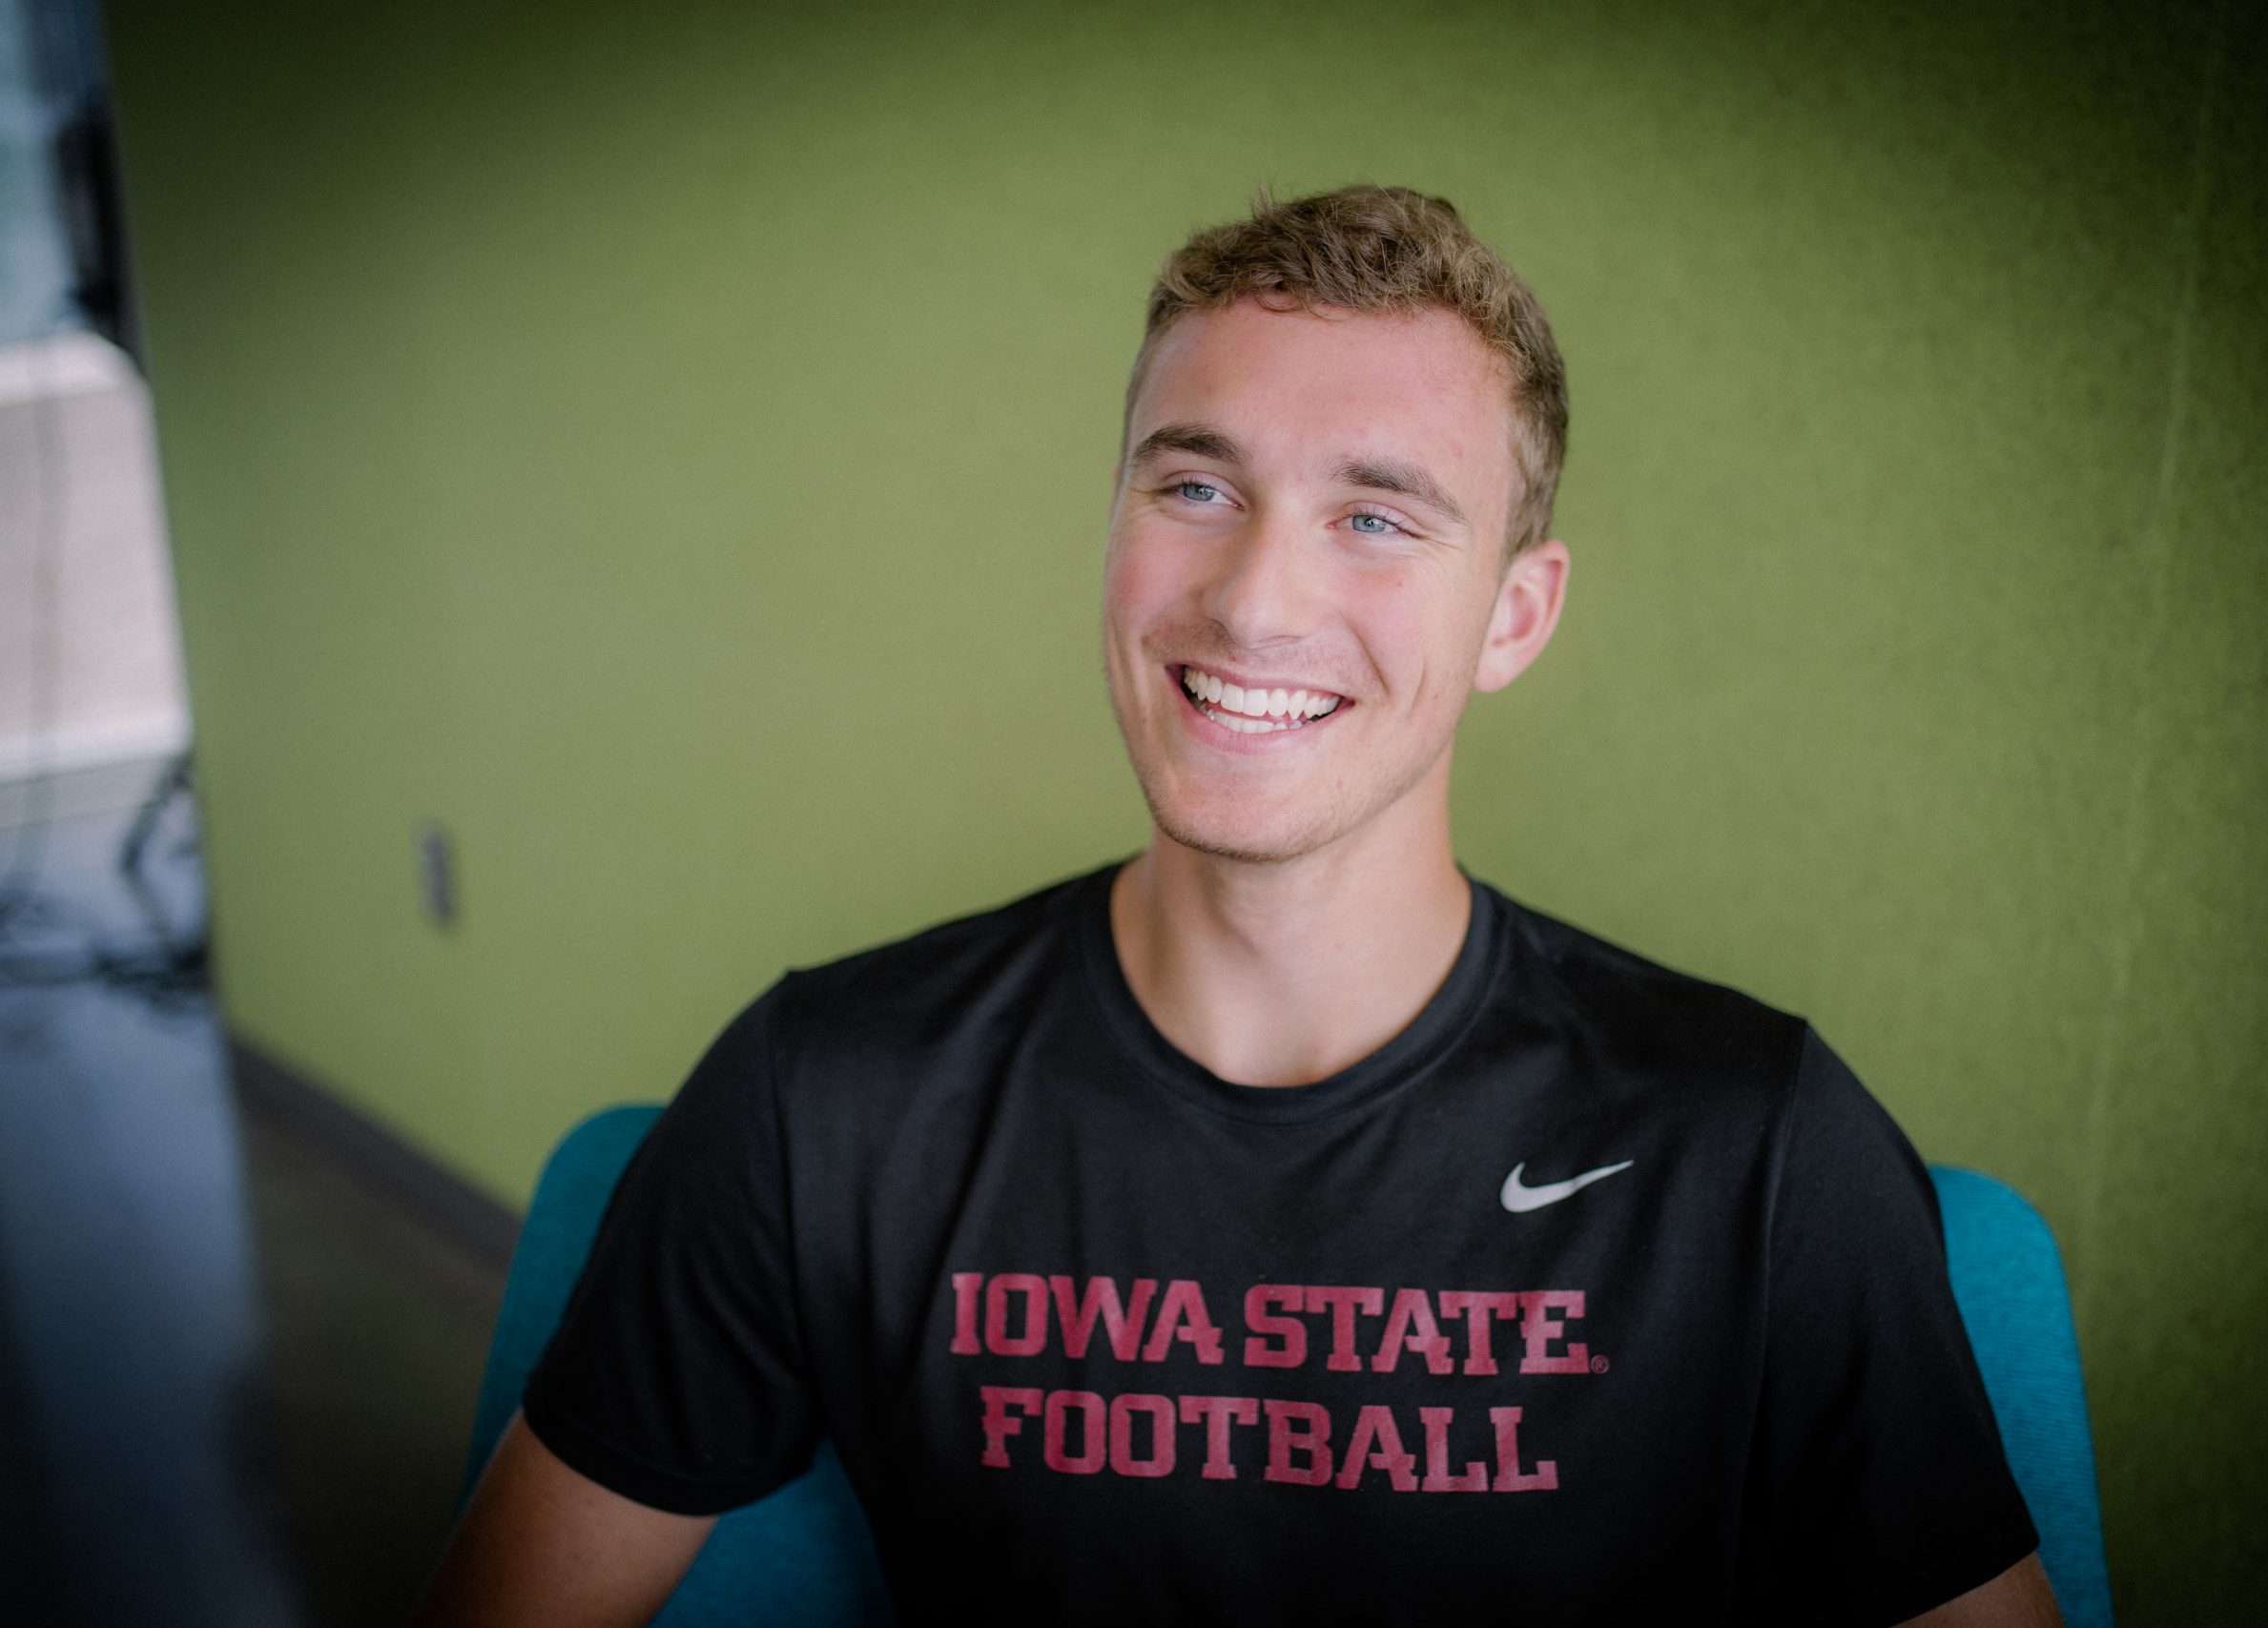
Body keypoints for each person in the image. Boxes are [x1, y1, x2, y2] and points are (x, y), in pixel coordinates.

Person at [416, 185, 2060, 1626]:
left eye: (1376, 517)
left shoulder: (1756, 1150)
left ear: (1514, 616)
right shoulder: (825, 1102)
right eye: (1193, 488)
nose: (1256, 597)